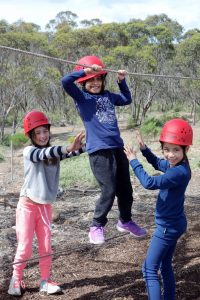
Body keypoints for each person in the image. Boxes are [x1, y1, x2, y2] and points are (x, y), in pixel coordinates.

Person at [61, 55, 147, 245]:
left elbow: (126, 99)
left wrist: (121, 81)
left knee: (126, 189)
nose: (95, 83)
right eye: (91, 80)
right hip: (99, 151)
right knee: (108, 190)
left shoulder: (109, 96)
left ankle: (125, 221)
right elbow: (65, 82)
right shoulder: (82, 97)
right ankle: (96, 226)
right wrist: (85, 71)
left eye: (98, 78)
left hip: (117, 147)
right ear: (84, 83)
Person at [8, 110, 85, 296]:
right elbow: (48, 153)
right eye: (38, 133)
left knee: (46, 246)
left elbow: (73, 151)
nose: (43, 136)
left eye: (45, 131)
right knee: (25, 248)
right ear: (31, 136)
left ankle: (45, 280)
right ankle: (16, 279)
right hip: (27, 205)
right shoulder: (30, 152)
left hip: (44, 206)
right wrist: (68, 148)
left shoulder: (53, 154)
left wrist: (93, 141)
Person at [124, 118, 193, 300]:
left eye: (176, 150)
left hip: (167, 228)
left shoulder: (178, 172)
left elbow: (149, 182)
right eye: (166, 149)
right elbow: (157, 163)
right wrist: (145, 150)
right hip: (176, 223)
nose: (170, 155)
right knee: (165, 265)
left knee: (149, 269)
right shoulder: (178, 165)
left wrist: (133, 161)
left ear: (186, 149)